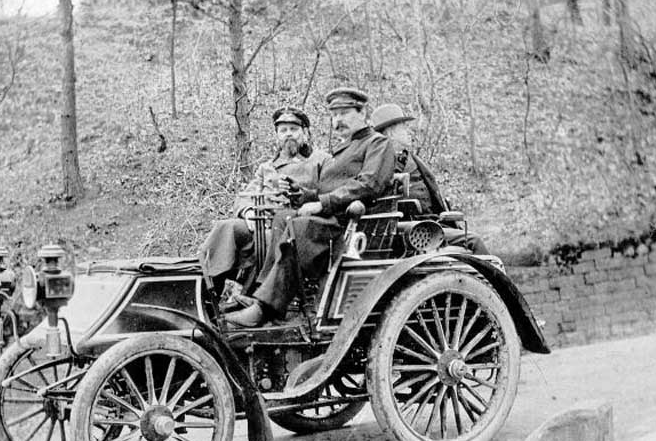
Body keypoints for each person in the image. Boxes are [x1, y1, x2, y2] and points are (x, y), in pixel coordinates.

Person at [225, 88, 396, 328]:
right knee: (284, 217)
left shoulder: (377, 143)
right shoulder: (344, 149)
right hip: (332, 218)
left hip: (349, 224)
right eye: (334, 115)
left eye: (344, 113)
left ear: (362, 112)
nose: (338, 121)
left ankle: (265, 307)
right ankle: (266, 295)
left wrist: (321, 204)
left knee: (299, 226)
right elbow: (328, 188)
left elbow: (368, 184)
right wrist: (302, 194)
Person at [198, 107, 328, 300]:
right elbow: (246, 194)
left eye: (294, 128)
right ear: (277, 136)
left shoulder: (320, 160)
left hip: (295, 226)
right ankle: (206, 293)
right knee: (228, 228)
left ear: (305, 132)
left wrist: (300, 193)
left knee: (267, 238)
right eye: (283, 130)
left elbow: (328, 194)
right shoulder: (266, 167)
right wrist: (248, 210)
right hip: (261, 222)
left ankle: (257, 298)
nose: (288, 134)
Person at [369, 103, 490, 255]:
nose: (409, 131)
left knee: (469, 238)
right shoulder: (382, 163)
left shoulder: (411, 158)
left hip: (433, 223)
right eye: (404, 127)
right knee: (473, 240)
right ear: (391, 133)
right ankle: (493, 279)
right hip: (415, 229)